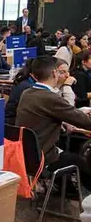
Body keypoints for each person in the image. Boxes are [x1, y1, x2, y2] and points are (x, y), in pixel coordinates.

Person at [16, 56, 91, 193]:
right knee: (80, 159)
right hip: (44, 158)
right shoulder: (50, 98)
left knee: (71, 146)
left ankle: (66, 188)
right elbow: (85, 122)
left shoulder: (27, 93)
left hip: (27, 155)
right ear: (54, 73)